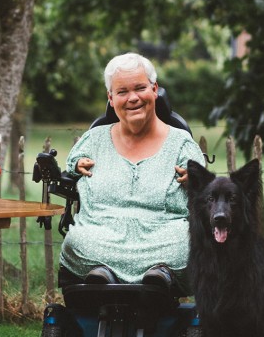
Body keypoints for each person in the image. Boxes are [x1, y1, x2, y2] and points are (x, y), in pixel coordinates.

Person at [58, 52, 206, 292]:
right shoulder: (94, 139)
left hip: (163, 236)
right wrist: (74, 166)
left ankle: (157, 274)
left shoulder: (181, 142)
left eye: (140, 88)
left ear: (155, 89)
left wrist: (196, 179)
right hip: (100, 234)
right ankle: (102, 272)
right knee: (76, 240)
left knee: (187, 244)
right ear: (111, 97)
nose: (133, 98)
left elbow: (204, 181)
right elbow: (72, 161)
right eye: (122, 92)